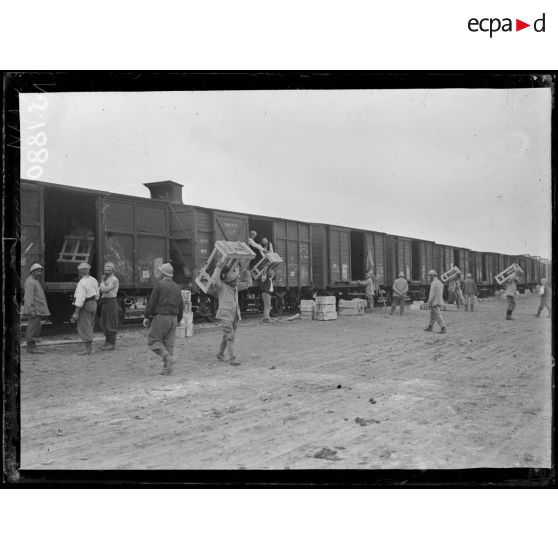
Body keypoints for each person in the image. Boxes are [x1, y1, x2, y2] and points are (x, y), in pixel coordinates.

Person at [143, 263, 184, 375]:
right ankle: (166, 369)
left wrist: (147, 316)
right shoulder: (177, 287)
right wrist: (179, 319)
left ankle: (166, 357)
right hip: (174, 318)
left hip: (162, 317)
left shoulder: (159, 285)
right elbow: (181, 305)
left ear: (163, 273)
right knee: (169, 344)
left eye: (160, 271)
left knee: (153, 341)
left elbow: (152, 303)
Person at [212, 256, 253, 365]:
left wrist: (246, 271)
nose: (237, 278)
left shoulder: (235, 286)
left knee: (227, 336)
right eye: (234, 274)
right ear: (227, 276)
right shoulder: (222, 286)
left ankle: (220, 354)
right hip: (225, 314)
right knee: (230, 336)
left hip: (235, 315)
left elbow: (249, 283)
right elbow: (215, 281)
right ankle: (232, 358)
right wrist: (218, 267)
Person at [71, 262, 99, 355]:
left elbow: (80, 298)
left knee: (84, 326)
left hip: (85, 305)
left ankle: (88, 350)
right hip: (93, 303)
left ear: (80, 272)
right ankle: (91, 348)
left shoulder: (81, 283)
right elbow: (97, 293)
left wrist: (76, 312)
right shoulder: (93, 280)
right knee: (90, 325)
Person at [23, 263, 50, 354]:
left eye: (40, 271)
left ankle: (33, 346)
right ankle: (31, 347)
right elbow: (28, 298)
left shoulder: (35, 280)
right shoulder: (31, 282)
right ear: (32, 272)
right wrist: (30, 310)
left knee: (35, 328)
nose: (39, 273)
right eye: (37, 271)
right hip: (34, 310)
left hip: (37, 309)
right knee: (32, 328)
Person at [99, 262, 119, 350]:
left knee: (111, 322)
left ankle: (112, 343)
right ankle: (107, 342)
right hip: (105, 301)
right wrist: (103, 283)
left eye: (108, 270)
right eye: (105, 270)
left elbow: (104, 289)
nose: (106, 271)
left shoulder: (114, 279)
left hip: (111, 301)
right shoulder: (106, 279)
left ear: (112, 270)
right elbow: (101, 289)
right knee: (105, 322)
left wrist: (102, 282)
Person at [424, 269, 447, 334]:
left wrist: (429, 302)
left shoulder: (433, 283)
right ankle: (430, 327)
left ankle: (443, 328)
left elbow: (432, 295)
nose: (429, 278)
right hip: (439, 300)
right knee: (432, 315)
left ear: (432, 276)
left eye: (429, 276)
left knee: (437, 315)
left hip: (434, 302)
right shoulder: (440, 283)